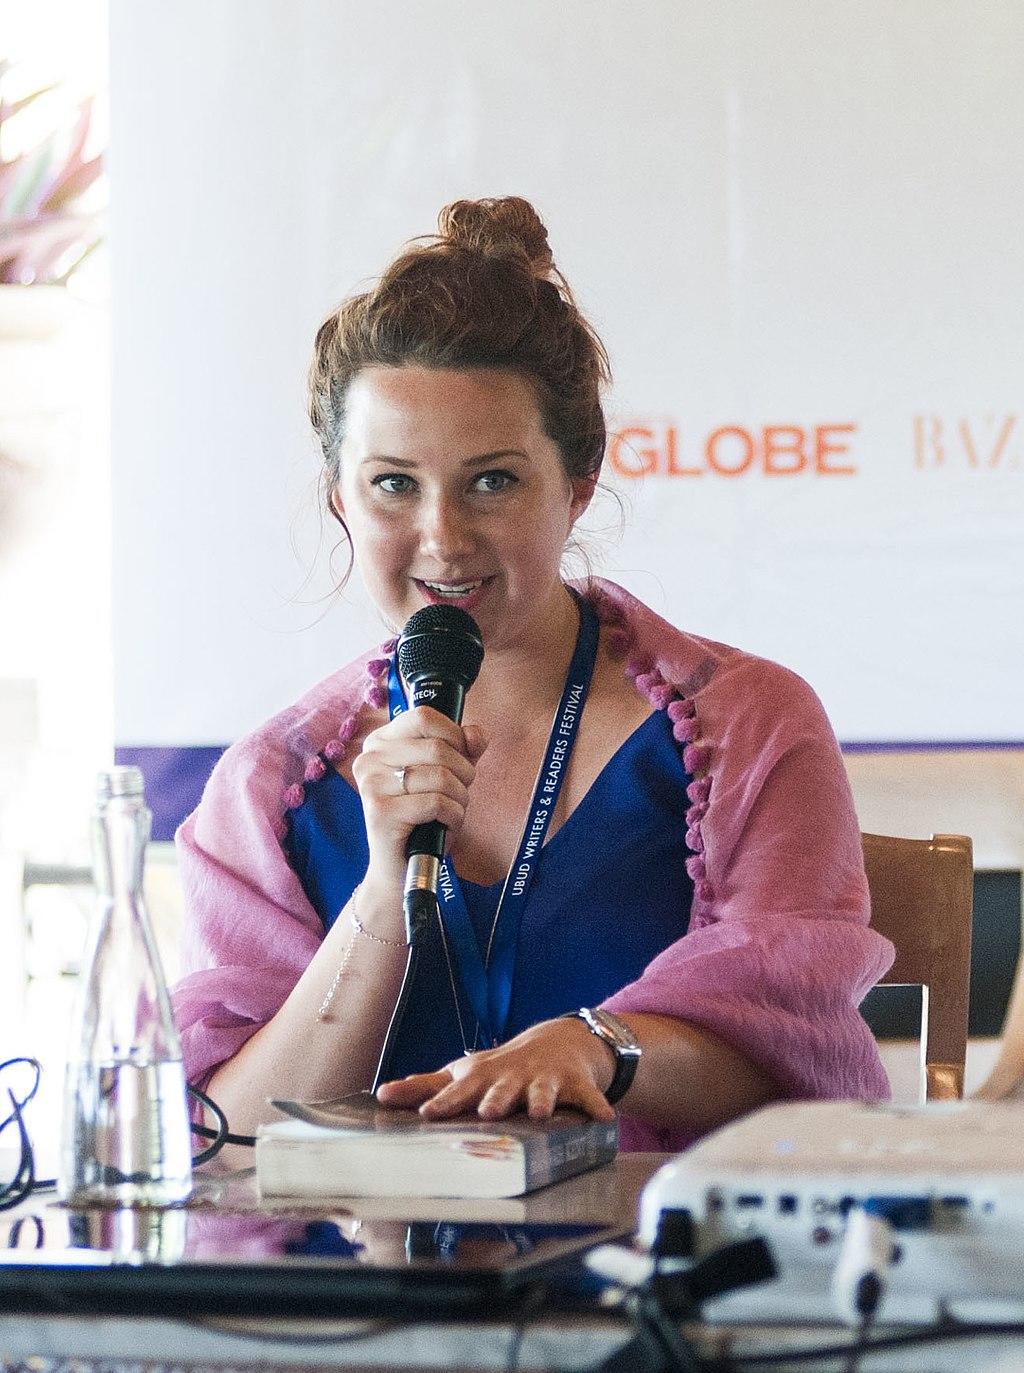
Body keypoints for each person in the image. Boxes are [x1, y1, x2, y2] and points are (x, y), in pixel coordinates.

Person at [171, 196, 893, 1154]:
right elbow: (235, 1135)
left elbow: (797, 1056)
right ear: (340, 496)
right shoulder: (273, 786)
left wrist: (598, 1048)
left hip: (646, 1280)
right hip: (361, 1287)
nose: (443, 535)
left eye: (493, 480)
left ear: (579, 478)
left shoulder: (746, 723)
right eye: (394, 483)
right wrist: (387, 887)